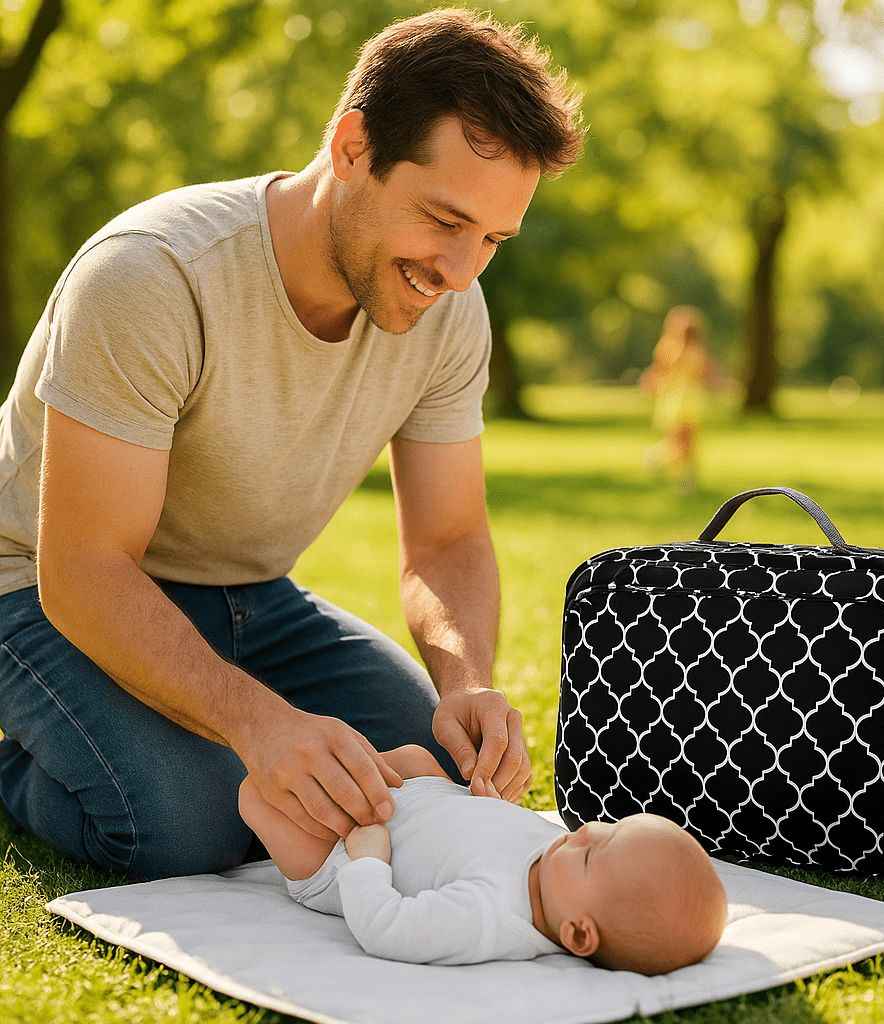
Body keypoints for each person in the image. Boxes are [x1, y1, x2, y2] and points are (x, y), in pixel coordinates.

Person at [0, 9, 584, 879]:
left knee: (435, 770)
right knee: (185, 824)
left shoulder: (450, 310)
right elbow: (83, 571)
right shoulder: (154, 276)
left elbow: (448, 538)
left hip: (255, 600)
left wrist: (467, 681)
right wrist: (259, 724)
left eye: (492, 240)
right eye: (444, 218)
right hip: (39, 590)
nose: (461, 272)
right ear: (353, 147)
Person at [238, 744, 728, 974]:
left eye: (588, 856)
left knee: (255, 796)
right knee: (411, 753)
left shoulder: (490, 917)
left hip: (343, 852)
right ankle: (310, 748)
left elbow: (388, 928)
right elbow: (490, 834)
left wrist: (368, 862)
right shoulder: (556, 864)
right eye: (611, 827)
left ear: (579, 933)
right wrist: (489, 805)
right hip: (419, 796)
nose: (585, 831)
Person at [639, 306, 720, 495]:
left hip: (686, 401)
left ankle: (686, 479)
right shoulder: (671, 347)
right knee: (680, 443)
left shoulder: (692, 350)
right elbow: (661, 372)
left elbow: (706, 374)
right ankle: (658, 459)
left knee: (688, 444)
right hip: (677, 400)